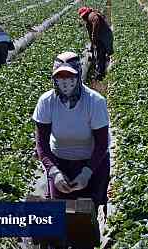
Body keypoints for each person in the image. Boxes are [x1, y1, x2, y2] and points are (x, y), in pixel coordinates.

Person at [33, 51, 111, 215]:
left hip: (92, 163)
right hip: (60, 163)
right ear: (54, 78)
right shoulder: (46, 102)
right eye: (60, 77)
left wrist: (86, 173)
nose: (65, 81)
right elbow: (41, 144)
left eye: (70, 76)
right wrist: (54, 173)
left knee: (86, 214)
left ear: (79, 75)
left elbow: (102, 144)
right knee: (60, 213)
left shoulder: (94, 101)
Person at [78, 7, 113, 81]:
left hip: (105, 37)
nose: (83, 18)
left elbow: (96, 23)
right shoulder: (88, 21)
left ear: (86, 13)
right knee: (100, 55)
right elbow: (91, 34)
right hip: (101, 37)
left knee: (103, 55)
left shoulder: (92, 16)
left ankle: (100, 74)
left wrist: (94, 36)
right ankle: (100, 72)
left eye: (83, 16)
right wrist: (92, 43)